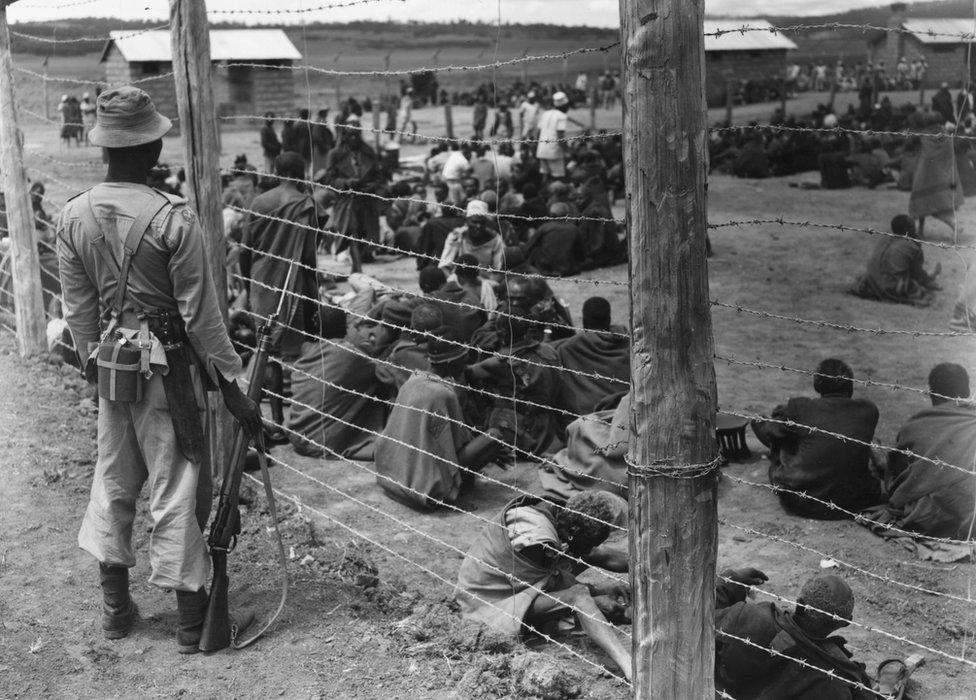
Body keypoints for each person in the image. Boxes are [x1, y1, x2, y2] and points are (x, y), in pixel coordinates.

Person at [55, 86, 261, 652]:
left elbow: (79, 312)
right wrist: (233, 385)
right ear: (150, 149)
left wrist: (96, 366)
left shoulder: (72, 216)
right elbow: (201, 317)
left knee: (114, 479)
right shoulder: (175, 221)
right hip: (169, 371)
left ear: (104, 148)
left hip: (110, 369)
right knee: (176, 487)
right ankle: (193, 623)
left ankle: (115, 609)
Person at [456, 491, 632, 681]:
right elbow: (547, 587)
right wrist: (593, 594)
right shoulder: (536, 538)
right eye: (589, 544)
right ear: (573, 531)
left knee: (581, 567)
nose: (590, 550)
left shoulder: (563, 516)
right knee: (578, 596)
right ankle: (629, 666)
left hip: (515, 588)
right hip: (488, 604)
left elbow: (598, 555)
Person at [239, 151, 323, 435]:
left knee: (267, 352)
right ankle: (290, 419)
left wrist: (248, 283)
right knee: (291, 355)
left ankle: (273, 421)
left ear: (275, 171)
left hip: (262, 281)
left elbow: (244, 250)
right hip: (291, 283)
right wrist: (314, 293)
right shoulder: (305, 205)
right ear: (302, 173)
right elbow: (309, 258)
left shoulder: (260, 202)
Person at [375, 330, 504, 508]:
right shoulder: (444, 394)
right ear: (450, 363)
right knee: (494, 437)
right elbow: (457, 447)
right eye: (463, 358)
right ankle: (452, 491)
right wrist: (488, 449)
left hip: (392, 478)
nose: (467, 363)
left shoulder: (412, 380)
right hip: (424, 487)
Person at [751, 358, 885, 519]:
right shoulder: (868, 409)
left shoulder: (800, 407)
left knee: (783, 437)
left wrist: (770, 418)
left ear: (817, 385)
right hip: (854, 502)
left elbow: (771, 433)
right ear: (850, 385)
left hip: (803, 502)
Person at [715, 569, 875, 699]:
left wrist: (730, 581)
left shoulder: (748, 618)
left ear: (799, 604)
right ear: (847, 622)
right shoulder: (837, 681)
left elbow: (699, 618)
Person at [871, 363, 976, 539]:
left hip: (930, 516)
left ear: (932, 394)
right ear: (967, 392)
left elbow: (896, 482)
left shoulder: (916, 424)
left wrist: (881, 462)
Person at [286, 305, 387, 459]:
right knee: (380, 388)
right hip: (322, 442)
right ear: (344, 328)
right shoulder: (348, 354)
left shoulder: (308, 348)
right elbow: (383, 371)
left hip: (298, 435)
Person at [323, 114, 385, 273]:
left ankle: (359, 266)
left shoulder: (368, 152)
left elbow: (379, 177)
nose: (353, 138)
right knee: (351, 233)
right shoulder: (335, 154)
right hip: (346, 200)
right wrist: (346, 183)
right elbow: (329, 179)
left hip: (366, 200)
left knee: (365, 234)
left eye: (356, 134)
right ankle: (357, 270)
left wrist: (371, 186)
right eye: (350, 135)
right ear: (344, 135)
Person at [551, 297, 629, 415]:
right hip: (624, 409)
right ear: (609, 319)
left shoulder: (568, 348)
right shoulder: (627, 342)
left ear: (584, 321)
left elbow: (545, 351)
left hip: (589, 416)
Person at [850, 214, 941, 306]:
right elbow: (916, 274)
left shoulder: (884, 238)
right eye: (913, 227)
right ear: (907, 229)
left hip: (871, 283)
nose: (915, 229)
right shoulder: (912, 246)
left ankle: (929, 277)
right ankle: (930, 278)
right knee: (922, 291)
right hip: (890, 288)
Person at [375, 303, 441, 392]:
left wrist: (393, 347)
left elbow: (381, 372)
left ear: (412, 328)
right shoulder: (451, 347)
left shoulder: (401, 353)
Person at [438, 200, 505, 276]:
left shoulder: (495, 240)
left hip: (486, 279)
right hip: (461, 277)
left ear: (486, 223)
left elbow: (498, 270)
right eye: (474, 222)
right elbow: (444, 266)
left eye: (481, 222)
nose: (478, 226)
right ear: (467, 221)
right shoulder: (457, 236)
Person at [524, 202, 587, 277]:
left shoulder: (545, 227)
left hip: (547, 268)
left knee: (535, 249)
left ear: (551, 214)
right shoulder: (574, 228)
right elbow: (582, 253)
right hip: (569, 268)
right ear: (567, 214)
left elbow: (528, 247)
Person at [536, 92, 570, 182]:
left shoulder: (545, 114)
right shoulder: (562, 116)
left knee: (545, 176)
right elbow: (560, 136)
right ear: (563, 105)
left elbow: (538, 132)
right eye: (567, 105)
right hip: (554, 151)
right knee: (558, 177)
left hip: (541, 149)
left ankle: (543, 194)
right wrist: (567, 151)